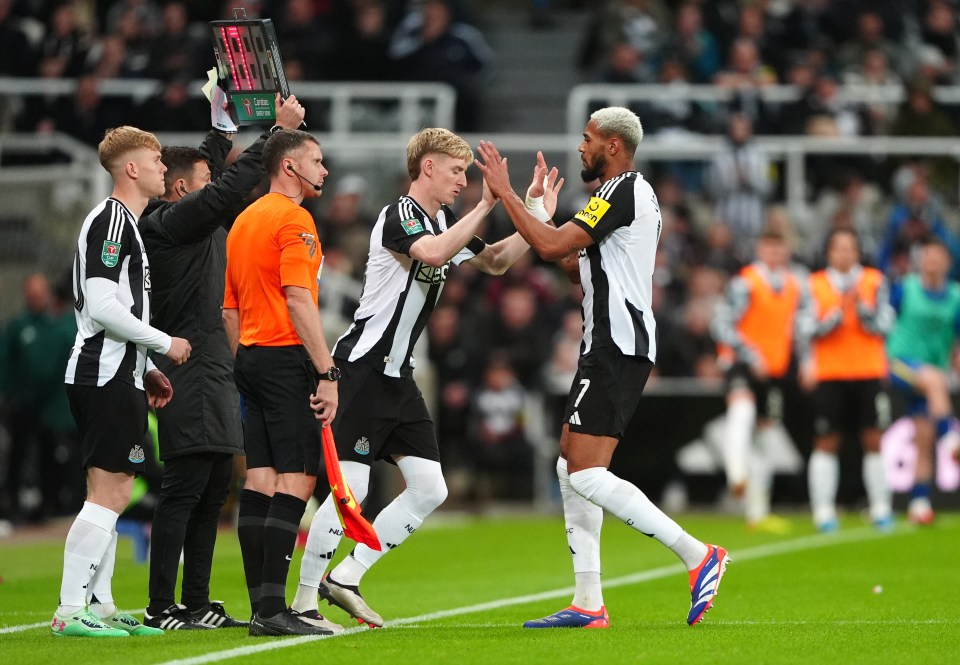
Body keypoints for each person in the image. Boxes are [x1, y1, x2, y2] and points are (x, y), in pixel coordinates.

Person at [291, 128, 560, 628]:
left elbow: (495, 261)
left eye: (466, 173)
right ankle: (304, 602)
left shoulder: (441, 220)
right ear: (428, 167)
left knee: (429, 487)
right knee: (353, 487)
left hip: (398, 376)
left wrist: (533, 216)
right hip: (364, 367)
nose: (463, 181)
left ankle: (345, 577)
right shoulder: (400, 216)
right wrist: (489, 203)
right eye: (456, 171)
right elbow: (433, 254)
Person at [475, 107, 728, 628]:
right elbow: (571, 266)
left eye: (587, 138)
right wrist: (541, 216)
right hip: (609, 343)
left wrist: (504, 194)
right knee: (570, 460)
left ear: (613, 145)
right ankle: (588, 601)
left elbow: (548, 249)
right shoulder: (621, 198)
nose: (580, 147)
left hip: (617, 343)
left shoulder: (624, 191)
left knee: (587, 470)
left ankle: (698, 554)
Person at [138, 95, 306, 631]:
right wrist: (277, 135)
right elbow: (228, 189)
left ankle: (196, 603)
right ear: (184, 191)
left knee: (213, 488)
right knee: (185, 485)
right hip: (183, 364)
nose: (215, 186)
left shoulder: (187, 216)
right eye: (204, 179)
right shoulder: (165, 224)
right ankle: (162, 606)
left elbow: (213, 179)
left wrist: (222, 126)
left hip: (212, 362)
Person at [52, 126, 192, 638]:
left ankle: (101, 603)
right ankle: (71, 611)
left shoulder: (126, 223)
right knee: (110, 493)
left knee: (110, 491)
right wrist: (162, 343)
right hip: (102, 372)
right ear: (130, 168)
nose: (163, 169)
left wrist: (145, 368)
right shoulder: (112, 220)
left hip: (117, 371)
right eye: (155, 160)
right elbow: (103, 303)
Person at [222, 128, 340, 637]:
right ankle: (273, 611)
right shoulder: (295, 219)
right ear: (289, 167)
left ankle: (261, 607)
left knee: (260, 479)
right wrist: (325, 371)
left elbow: (229, 310)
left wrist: (246, 364)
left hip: (248, 356)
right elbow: (298, 298)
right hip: (285, 355)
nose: (324, 170)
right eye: (316, 160)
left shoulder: (243, 221)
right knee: (297, 480)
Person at [797, 229, 895, 532]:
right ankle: (824, 511)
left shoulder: (874, 281)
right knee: (827, 439)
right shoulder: (814, 284)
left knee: (873, 438)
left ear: (857, 252)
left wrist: (861, 308)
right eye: (838, 248)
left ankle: (881, 508)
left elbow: (886, 323)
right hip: (830, 372)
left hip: (868, 371)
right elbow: (804, 327)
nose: (844, 254)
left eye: (849, 248)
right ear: (829, 253)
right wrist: (836, 314)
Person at [711, 230, 803, 533]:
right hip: (743, 364)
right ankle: (736, 474)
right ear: (760, 250)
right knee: (742, 412)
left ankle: (758, 511)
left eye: (780, 249)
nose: (775, 254)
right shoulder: (745, 283)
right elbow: (721, 324)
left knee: (766, 437)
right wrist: (750, 355)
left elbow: (794, 331)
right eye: (769, 248)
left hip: (775, 372)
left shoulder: (792, 285)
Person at [886, 239, 960, 524]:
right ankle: (951, 438)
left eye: (937, 257)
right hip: (900, 362)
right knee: (935, 381)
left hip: (932, 369)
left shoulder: (955, 296)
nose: (932, 262)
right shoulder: (905, 288)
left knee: (923, 436)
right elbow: (886, 320)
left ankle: (919, 502)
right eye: (927, 256)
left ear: (948, 263)